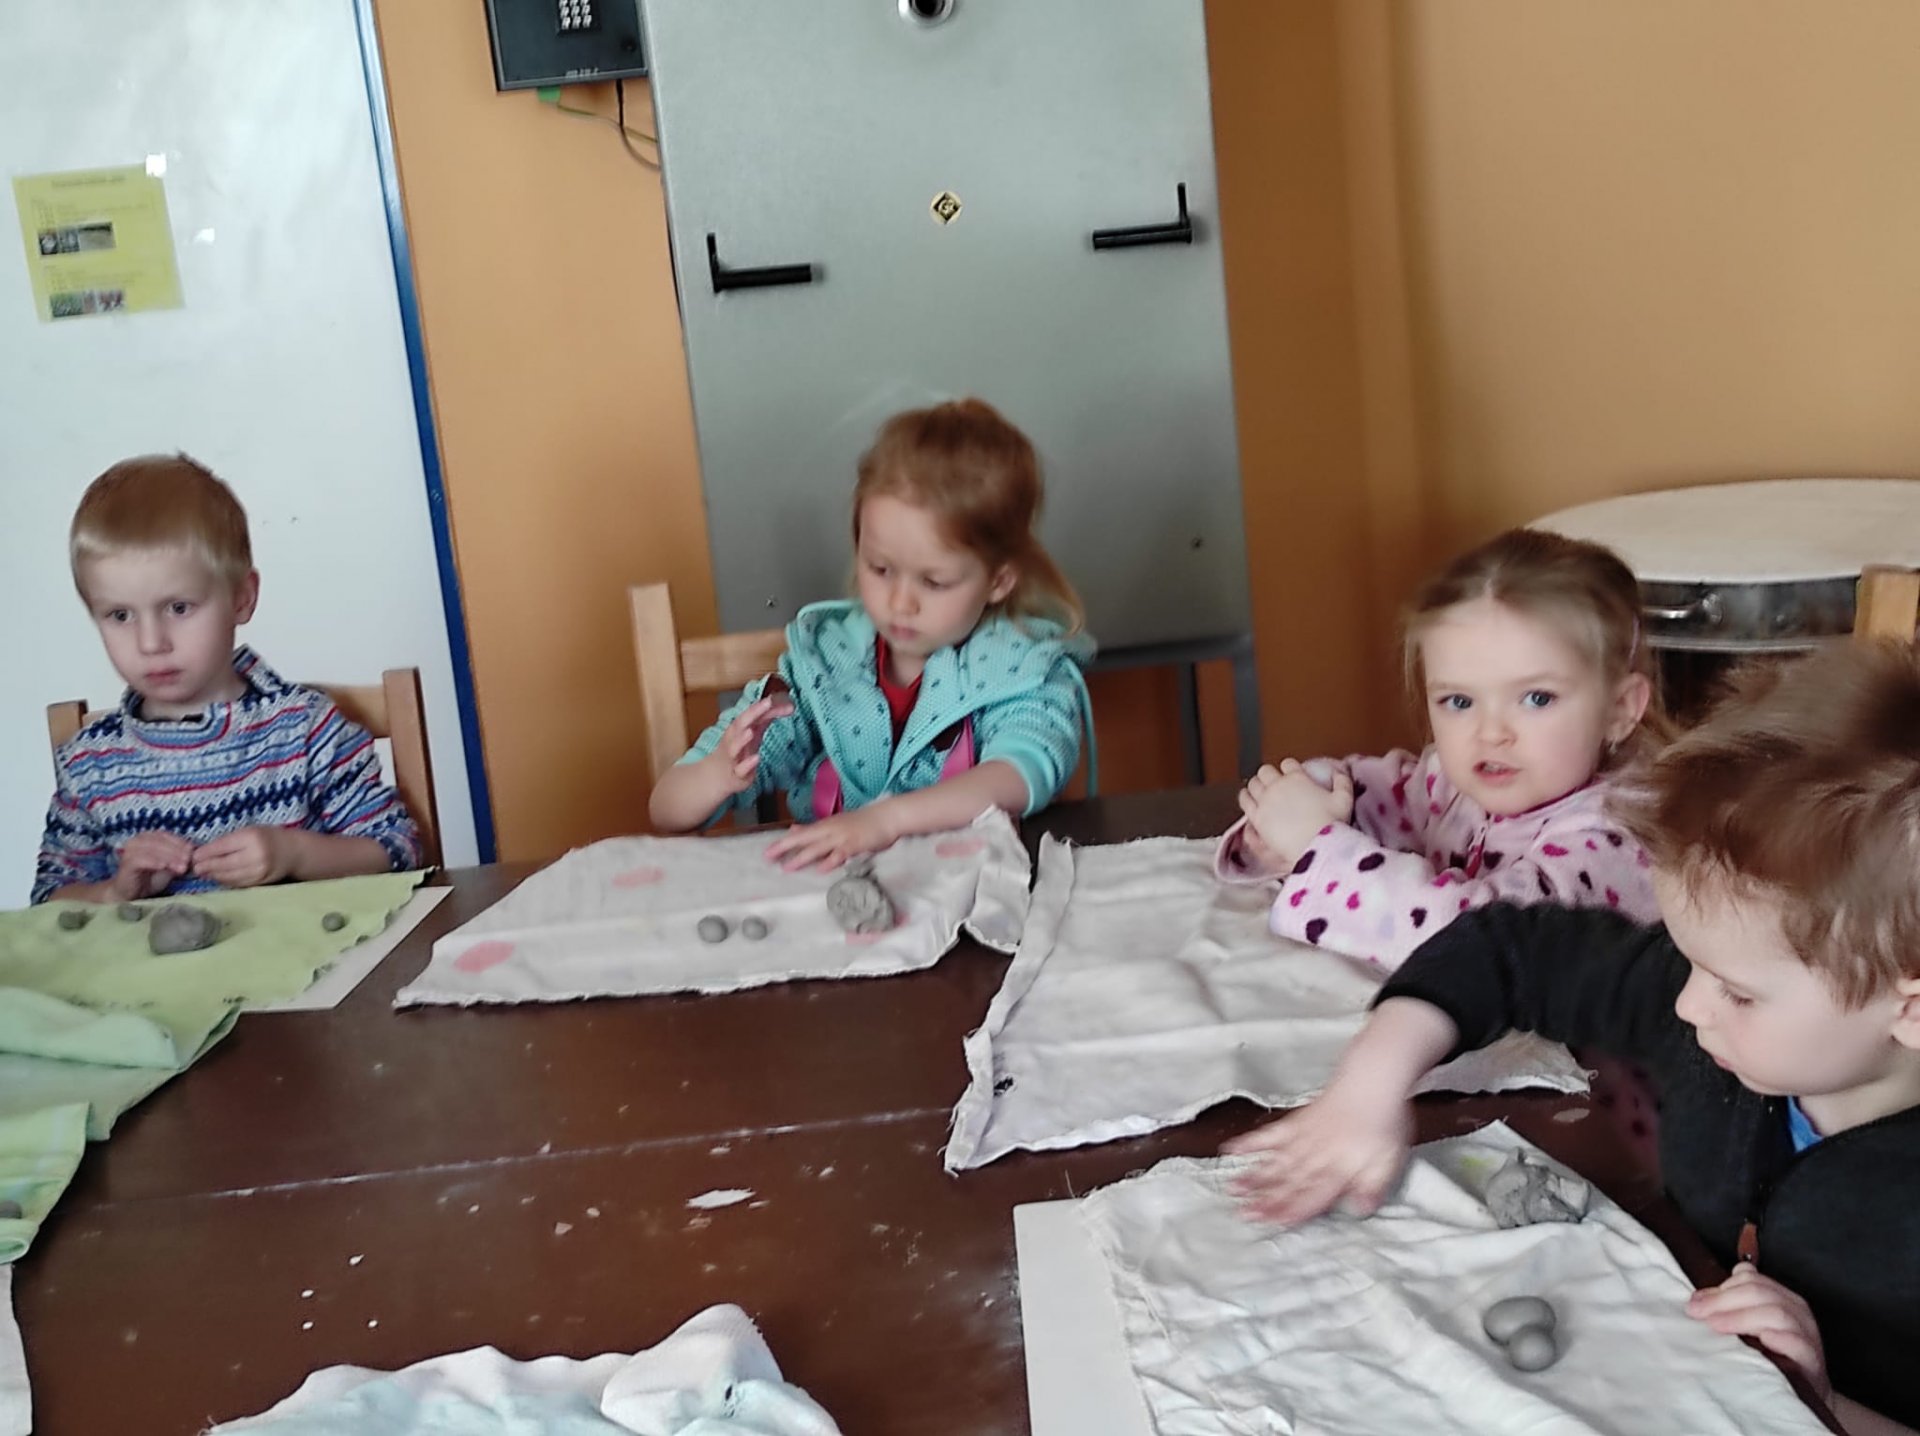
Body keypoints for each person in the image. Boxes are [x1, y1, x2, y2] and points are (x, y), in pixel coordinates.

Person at [1226, 640, 1920, 1434]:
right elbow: (1507, 947)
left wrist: (1825, 1401)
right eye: (1689, 958)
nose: (1687, 1004)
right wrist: (1370, 1085)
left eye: (1737, 990)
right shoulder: (1706, 999)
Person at [649, 399, 1094, 871]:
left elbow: (1022, 774)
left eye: (933, 582)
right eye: (880, 569)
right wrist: (716, 774)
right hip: (832, 897)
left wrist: (886, 820)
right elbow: (665, 809)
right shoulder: (821, 666)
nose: (900, 603)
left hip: (971, 896)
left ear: (999, 581)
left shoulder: (1023, 667)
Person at [1217, 527, 1665, 970]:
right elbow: (1372, 793)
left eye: (1536, 698)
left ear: (1619, 709)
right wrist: (1291, 813)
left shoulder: (1616, 840)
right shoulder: (1454, 781)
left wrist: (1318, 845)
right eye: (1459, 702)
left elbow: (1474, 942)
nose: (1491, 733)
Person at [34, 455, 423, 904]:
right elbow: (48, 900)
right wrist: (113, 892)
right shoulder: (89, 765)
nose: (151, 642)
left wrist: (295, 853)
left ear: (241, 598)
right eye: (120, 615)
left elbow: (399, 850)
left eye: (178, 607)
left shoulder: (305, 730)